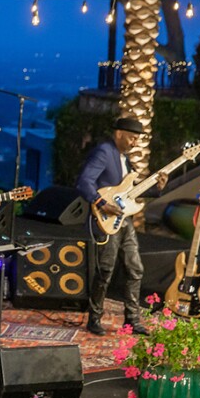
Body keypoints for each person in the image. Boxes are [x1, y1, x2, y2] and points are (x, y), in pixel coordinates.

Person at [76, 117, 167, 336]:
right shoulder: (104, 152)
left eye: (137, 139)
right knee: (105, 269)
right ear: (119, 134)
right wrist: (100, 202)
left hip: (124, 219)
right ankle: (94, 317)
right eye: (132, 138)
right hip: (105, 219)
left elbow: (131, 193)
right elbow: (84, 181)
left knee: (135, 268)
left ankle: (132, 321)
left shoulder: (125, 159)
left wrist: (158, 188)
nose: (135, 142)